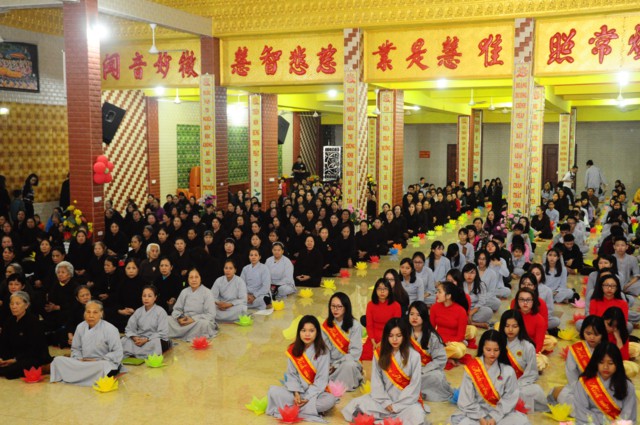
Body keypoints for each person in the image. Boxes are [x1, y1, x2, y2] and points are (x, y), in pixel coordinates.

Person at [342, 318, 428, 425]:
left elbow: (414, 386)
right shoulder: (379, 353)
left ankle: (382, 420)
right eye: (391, 336)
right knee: (354, 405)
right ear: (386, 336)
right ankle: (388, 420)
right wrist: (386, 402)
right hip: (382, 401)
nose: (394, 339)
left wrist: (397, 406)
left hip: (405, 403)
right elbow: (376, 381)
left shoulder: (414, 356)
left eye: (398, 336)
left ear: (404, 336)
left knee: (416, 415)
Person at [449, 330, 530, 425]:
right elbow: (467, 399)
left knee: (522, 421)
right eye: (488, 350)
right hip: (475, 414)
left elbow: (510, 398)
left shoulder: (508, 371)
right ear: (482, 348)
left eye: (496, 350)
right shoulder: (472, 368)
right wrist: (480, 418)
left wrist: (494, 418)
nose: (492, 354)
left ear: (501, 349)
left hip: (500, 414)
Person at [267, 315, 338, 422]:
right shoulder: (293, 349)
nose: (307, 334)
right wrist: (296, 393)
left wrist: (307, 397)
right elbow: (291, 375)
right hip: (297, 393)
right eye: (303, 330)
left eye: (311, 331)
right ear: (299, 332)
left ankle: (291, 410)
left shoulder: (323, 352)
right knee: (273, 391)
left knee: (329, 400)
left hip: (315, 394)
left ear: (317, 333)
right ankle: (308, 410)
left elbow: (321, 379)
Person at [50, 300, 123, 386]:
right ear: (84, 313)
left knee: (104, 366)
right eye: (88, 312)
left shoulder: (110, 329)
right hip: (83, 362)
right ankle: (86, 376)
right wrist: (79, 359)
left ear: (101, 313)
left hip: (100, 363)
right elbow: (76, 348)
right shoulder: (80, 327)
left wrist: (99, 359)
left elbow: (117, 352)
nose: (91, 315)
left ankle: (78, 376)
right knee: (58, 360)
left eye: (95, 312)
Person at [549, 315, 607, 406]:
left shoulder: (608, 350)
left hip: (602, 391)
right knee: (561, 394)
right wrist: (581, 391)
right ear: (583, 331)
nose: (592, 337)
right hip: (579, 388)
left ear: (602, 334)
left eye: (596, 334)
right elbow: (571, 374)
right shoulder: (576, 349)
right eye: (588, 333)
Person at [574, 342, 637, 424]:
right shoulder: (584, 382)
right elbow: (581, 412)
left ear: (618, 364)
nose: (605, 367)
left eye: (610, 363)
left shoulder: (627, 386)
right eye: (601, 362)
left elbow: (628, 415)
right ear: (595, 362)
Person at [499, 310, 546, 412]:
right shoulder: (497, 343)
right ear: (502, 326)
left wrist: (515, 386)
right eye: (507, 326)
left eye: (514, 326)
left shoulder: (528, 346)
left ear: (520, 327)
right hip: (500, 383)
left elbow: (531, 373)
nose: (510, 330)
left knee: (535, 390)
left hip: (520, 384)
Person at [408, 300, 453, 402]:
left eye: (418, 315)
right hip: (408, 370)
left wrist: (423, 370)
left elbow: (440, 359)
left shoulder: (432, 336)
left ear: (424, 317)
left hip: (426, 371)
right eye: (411, 314)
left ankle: (418, 391)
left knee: (437, 377)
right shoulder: (403, 333)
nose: (414, 318)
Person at [0, 291, 52, 379]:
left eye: (17, 304)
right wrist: (2, 358)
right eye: (12, 304)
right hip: (14, 355)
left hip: (33, 356)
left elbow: (35, 348)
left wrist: (15, 360)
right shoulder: (9, 322)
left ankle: (45, 367)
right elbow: (3, 343)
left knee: (12, 371)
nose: (14, 306)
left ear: (26, 305)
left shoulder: (33, 322)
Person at [321, 292, 363, 391]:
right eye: (333, 306)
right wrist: (328, 364)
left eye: (339, 306)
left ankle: (333, 383)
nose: (335, 309)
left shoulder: (355, 326)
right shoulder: (327, 325)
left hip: (346, 362)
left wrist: (336, 365)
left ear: (346, 308)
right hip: (330, 364)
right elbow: (324, 349)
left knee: (349, 366)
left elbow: (355, 352)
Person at [168, 268, 218, 341]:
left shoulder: (207, 292)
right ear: (188, 279)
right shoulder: (184, 292)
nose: (194, 280)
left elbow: (211, 314)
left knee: (204, 324)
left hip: (198, 321)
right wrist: (179, 318)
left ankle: (183, 333)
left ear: (201, 278)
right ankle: (186, 333)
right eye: (191, 277)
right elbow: (177, 309)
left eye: (196, 277)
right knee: (167, 319)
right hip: (184, 320)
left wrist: (193, 319)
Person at [121, 285, 170, 358]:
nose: (146, 298)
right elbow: (129, 328)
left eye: (149, 296)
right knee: (124, 340)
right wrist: (135, 337)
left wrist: (146, 340)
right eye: (144, 296)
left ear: (155, 297)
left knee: (156, 343)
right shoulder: (138, 311)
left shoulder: (161, 312)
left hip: (152, 339)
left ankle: (135, 353)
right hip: (139, 339)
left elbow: (163, 333)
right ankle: (140, 352)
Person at [361, 278, 402, 360]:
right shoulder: (370, 305)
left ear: (389, 291)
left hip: (390, 337)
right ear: (375, 290)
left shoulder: (396, 306)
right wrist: (373, 341)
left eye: (385, 289)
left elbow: (395, 327)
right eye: (379, 289)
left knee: (386, 357)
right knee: (365, 355)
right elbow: (369, 325)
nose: (382, 292)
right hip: (373, 337)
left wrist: (382, 342)